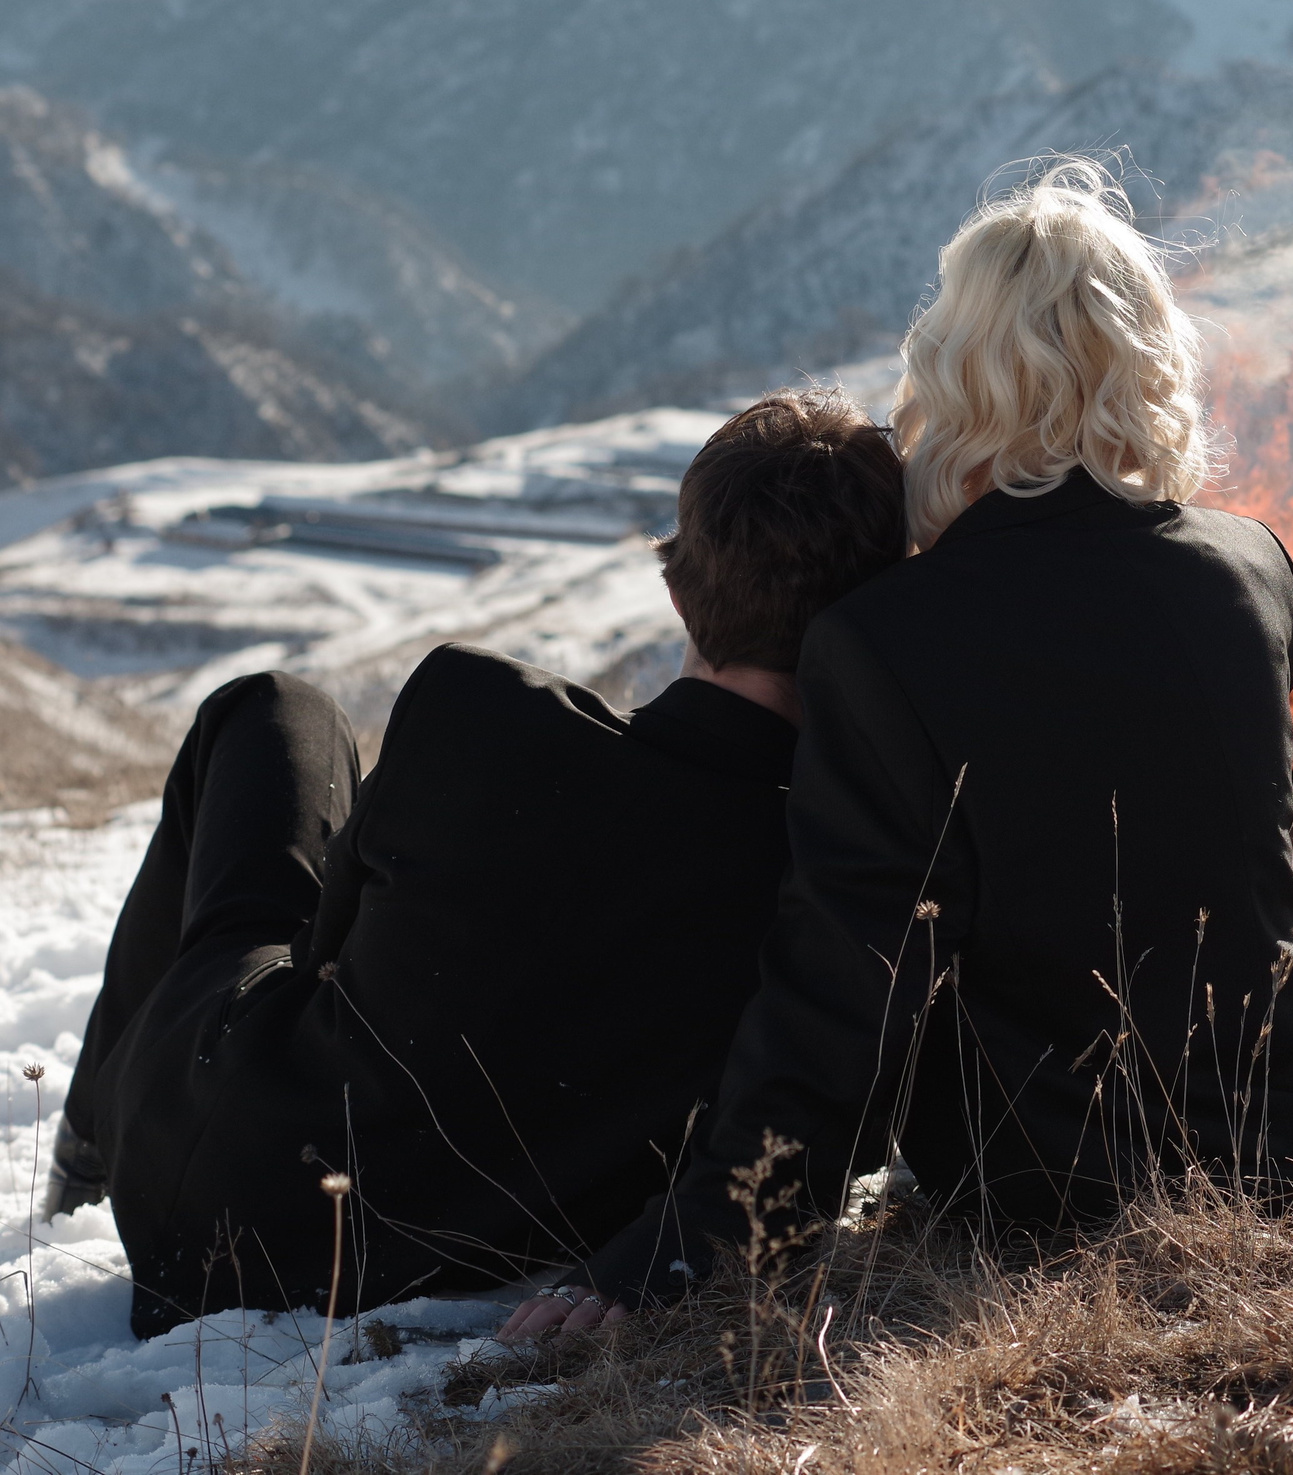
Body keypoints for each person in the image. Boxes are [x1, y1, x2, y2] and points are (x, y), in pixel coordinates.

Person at [512, 160, 1293, 1336]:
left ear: (947, 374)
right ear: (1148, 361)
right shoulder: (1252, 565)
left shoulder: (880, 642)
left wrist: (682, 1251)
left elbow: (846, 988)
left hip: (1073, 1161)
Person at [55, 389, 905, 1338]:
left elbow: (321, 943)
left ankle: (88, 1140)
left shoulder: (479, 710)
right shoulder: (832, 888)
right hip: (436, 1252)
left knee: (270, 709)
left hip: (205, 1155)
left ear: (678, 589)